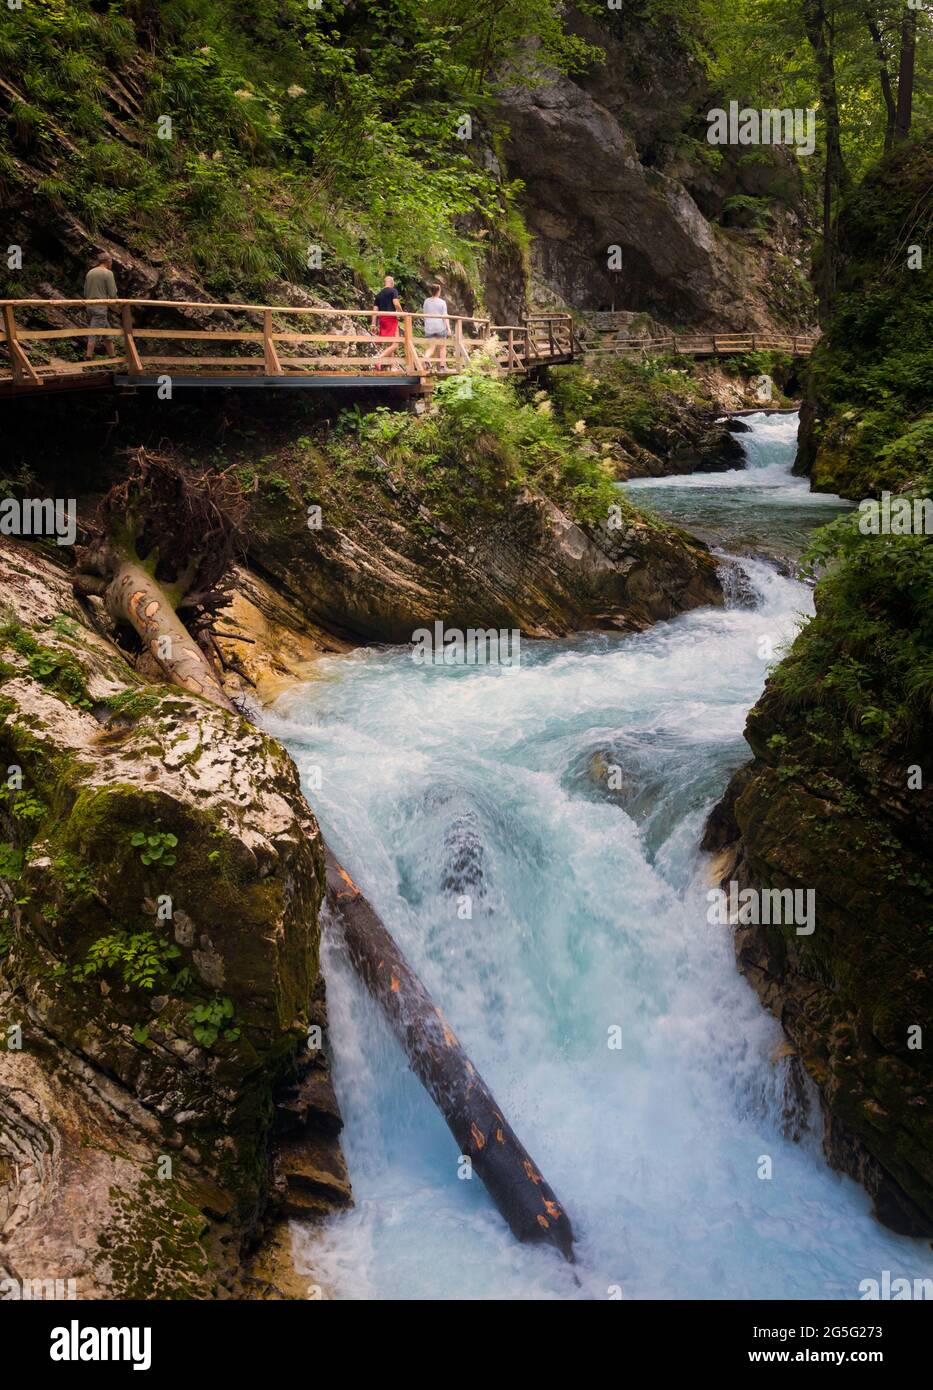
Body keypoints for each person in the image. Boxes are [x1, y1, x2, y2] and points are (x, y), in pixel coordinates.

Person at [84, 251, 117, 359]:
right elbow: (112, 293)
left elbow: (85, 292)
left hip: (89, 307)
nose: (112, 263)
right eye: (111, 261)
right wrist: (117, 307)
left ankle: (112, 356)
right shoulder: (108, 273)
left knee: (106, 332)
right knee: (94, 333)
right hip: (100, 308)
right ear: (108, 261)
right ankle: (88, 358)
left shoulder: (90, 272)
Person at [371, 274, 402, 369]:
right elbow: (396, 303)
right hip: (391, 318)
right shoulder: (393, 291)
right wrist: (401, 312)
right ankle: (378, 358)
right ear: (392, 283)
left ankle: (393, 367)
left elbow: (375, 310)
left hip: (382, 320)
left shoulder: (379, 294)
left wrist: (373, 324)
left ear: (384, 283)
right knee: (396, 344)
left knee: (390, 344)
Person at [421, 281, 449, 371]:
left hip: (429, 327)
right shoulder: (442, 302)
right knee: (442, 346)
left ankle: (425, 358)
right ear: (438, 291)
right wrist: (448, 328)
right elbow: (445, 316)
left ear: (431, 291)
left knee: (431, 347)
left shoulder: (426, 301)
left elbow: (424, 314)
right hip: (440, 326)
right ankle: (442, 367)